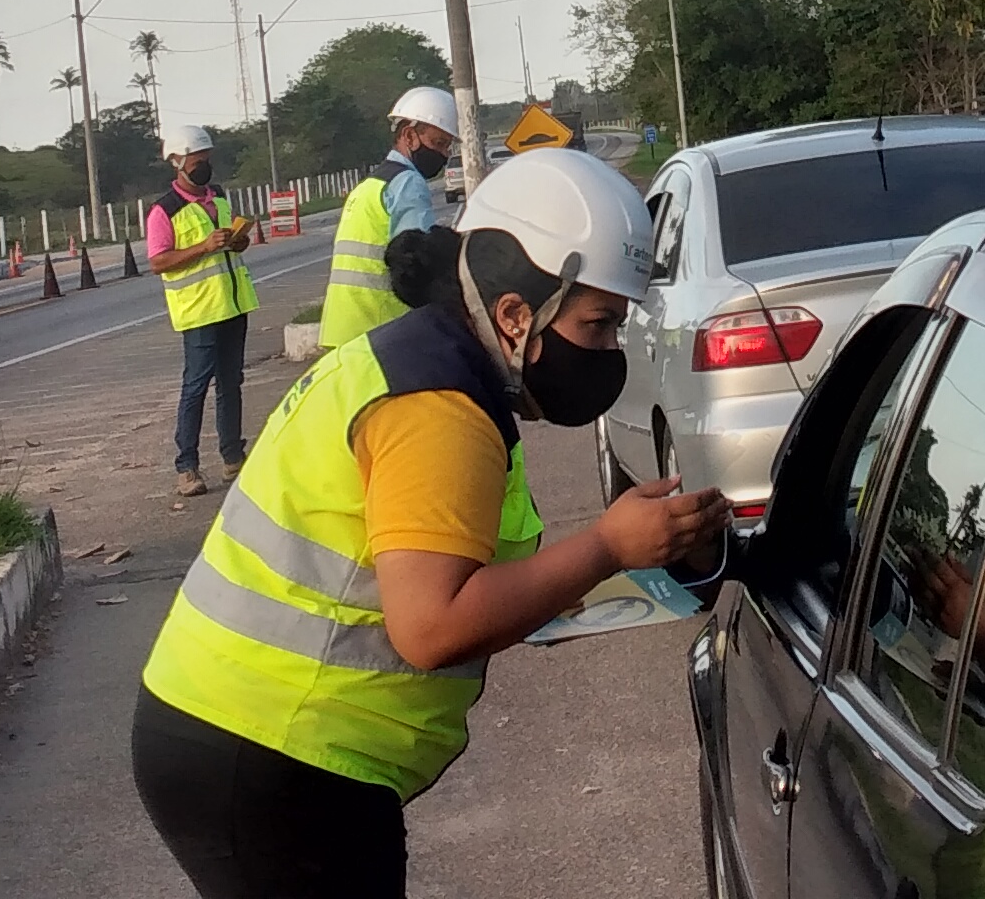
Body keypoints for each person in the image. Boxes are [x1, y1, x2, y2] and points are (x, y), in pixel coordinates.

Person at [133, 146, 725, 899]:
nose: (610, 351)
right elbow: (432, 627)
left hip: (244, 737)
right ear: (515, 314)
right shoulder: (436, 407)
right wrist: (607, 545)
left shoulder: (420, 365)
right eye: (600, 324)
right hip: (276, 756)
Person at [147, 126, 260, 498]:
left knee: (232, 384)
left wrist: (237, 241)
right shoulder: (164, 211)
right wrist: (203, 246)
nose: (204, 168)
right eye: (198, 162)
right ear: (177, 162)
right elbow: (159, 261)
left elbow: (229, 248)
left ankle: (233, 456)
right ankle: (187, 467)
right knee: (195, 387)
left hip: (232, 305)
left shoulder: (219, 198)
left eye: (207, 160)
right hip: (198, 312)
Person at [319, 84, 460, 349]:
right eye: (438, 143)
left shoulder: (371, 185)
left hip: (343, 330)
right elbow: (419, 264)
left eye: (447, 146)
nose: (443, 154)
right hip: (382, 331)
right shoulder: (408, 184)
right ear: (409, 136)